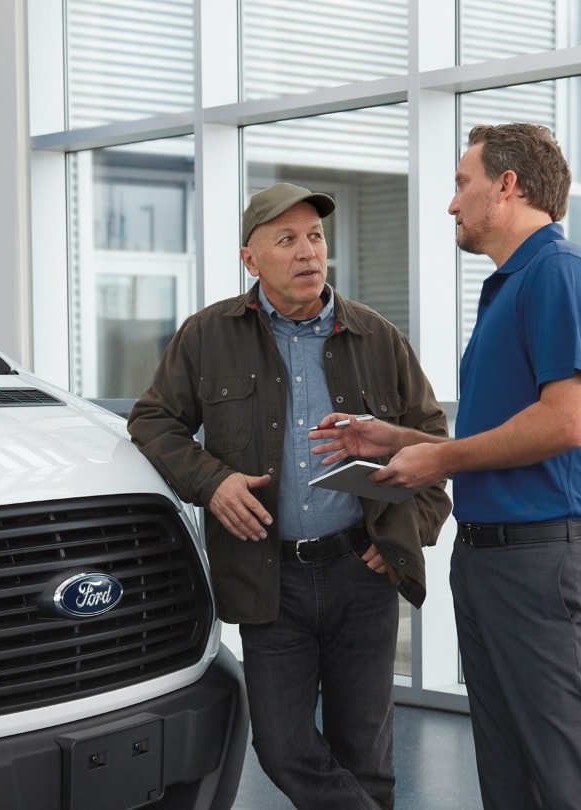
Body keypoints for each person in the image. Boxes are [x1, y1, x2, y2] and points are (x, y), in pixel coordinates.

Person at [310, 123, 581, 809]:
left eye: (462, 183)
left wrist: (439, 459)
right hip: (493, 559)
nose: (452, 203)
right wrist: (394, 439)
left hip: (540, 562)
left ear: (506, 186)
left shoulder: (557, 273)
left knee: (565, 782)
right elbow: (509, 426)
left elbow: (569, 420)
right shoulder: (510, 286)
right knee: (510, 779)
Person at [127, 182, 452, 809]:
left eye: (315, 237)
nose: (308, 253)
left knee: (367, 756)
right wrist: (212, 482)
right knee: (281, 746)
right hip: (269, 577)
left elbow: (434, 446)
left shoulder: (377, 338)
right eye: (287, 240)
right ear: (251, 259)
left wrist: (409, 532)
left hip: (363, 570)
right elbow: (153, 422)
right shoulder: (206, 337)